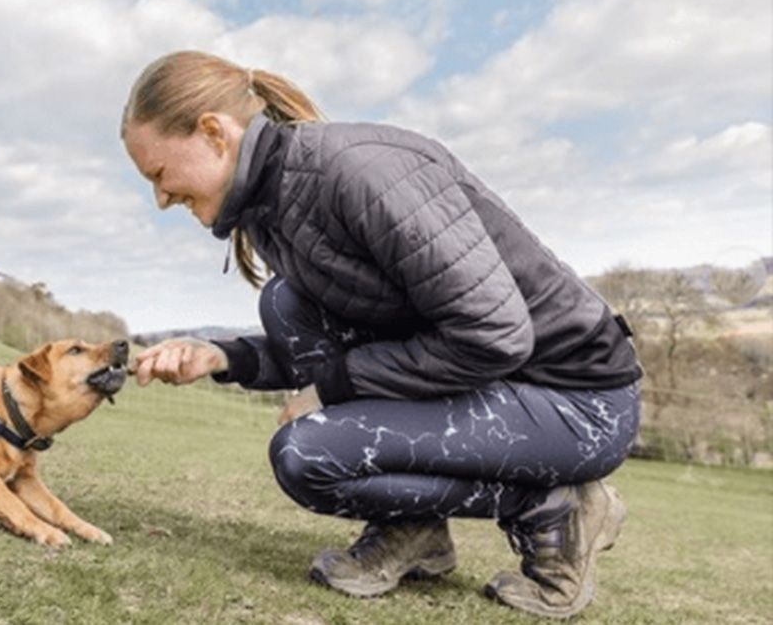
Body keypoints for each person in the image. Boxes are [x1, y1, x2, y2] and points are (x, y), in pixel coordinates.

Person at [121, 50, 642, 619]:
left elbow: (493, 335)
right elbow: (331, 347)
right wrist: (220, 357)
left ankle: (555, 505)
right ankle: (415, 531)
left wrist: (332, 390)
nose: (161, 197)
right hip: (493, 380)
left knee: (309, 455)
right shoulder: (273, 209)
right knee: (284, 301)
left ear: (214, 133)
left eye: (158, 173)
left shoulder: (358, 172)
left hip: (577, 403)